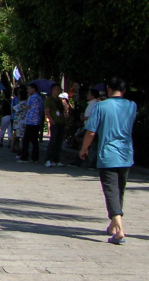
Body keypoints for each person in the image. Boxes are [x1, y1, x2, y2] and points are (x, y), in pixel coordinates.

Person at [80, 77, 137, 245]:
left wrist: (84, 149)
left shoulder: (101, 106)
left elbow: (91, 131)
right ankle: (113, 224)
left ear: (108, 89)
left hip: (108, 154)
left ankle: (119, 230)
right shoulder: (132, 106)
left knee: (111, 190)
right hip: (126, 153)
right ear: (124, 90)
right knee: (120, 189)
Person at [44, 83, 69, 167]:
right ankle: (48, 159)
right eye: (57, 89)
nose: (58, 91)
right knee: (53, 141)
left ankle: (56, 159)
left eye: (59, 89)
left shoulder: (59, 100)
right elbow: (47, 111)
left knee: (59, 142)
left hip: (61, 122)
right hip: (55, 122)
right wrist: (52, 121)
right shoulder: (49, 99)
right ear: (53, 90)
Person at [19, 83, 44, 163]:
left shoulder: (31, 97)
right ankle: (35, 157)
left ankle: (24, 157)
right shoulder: (40, 98)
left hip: (31, 120)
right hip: (37, 121)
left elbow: (26, 107)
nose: (28, 91)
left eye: (29, 89)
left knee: (26, 139)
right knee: (34, 140)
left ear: (34, 89)